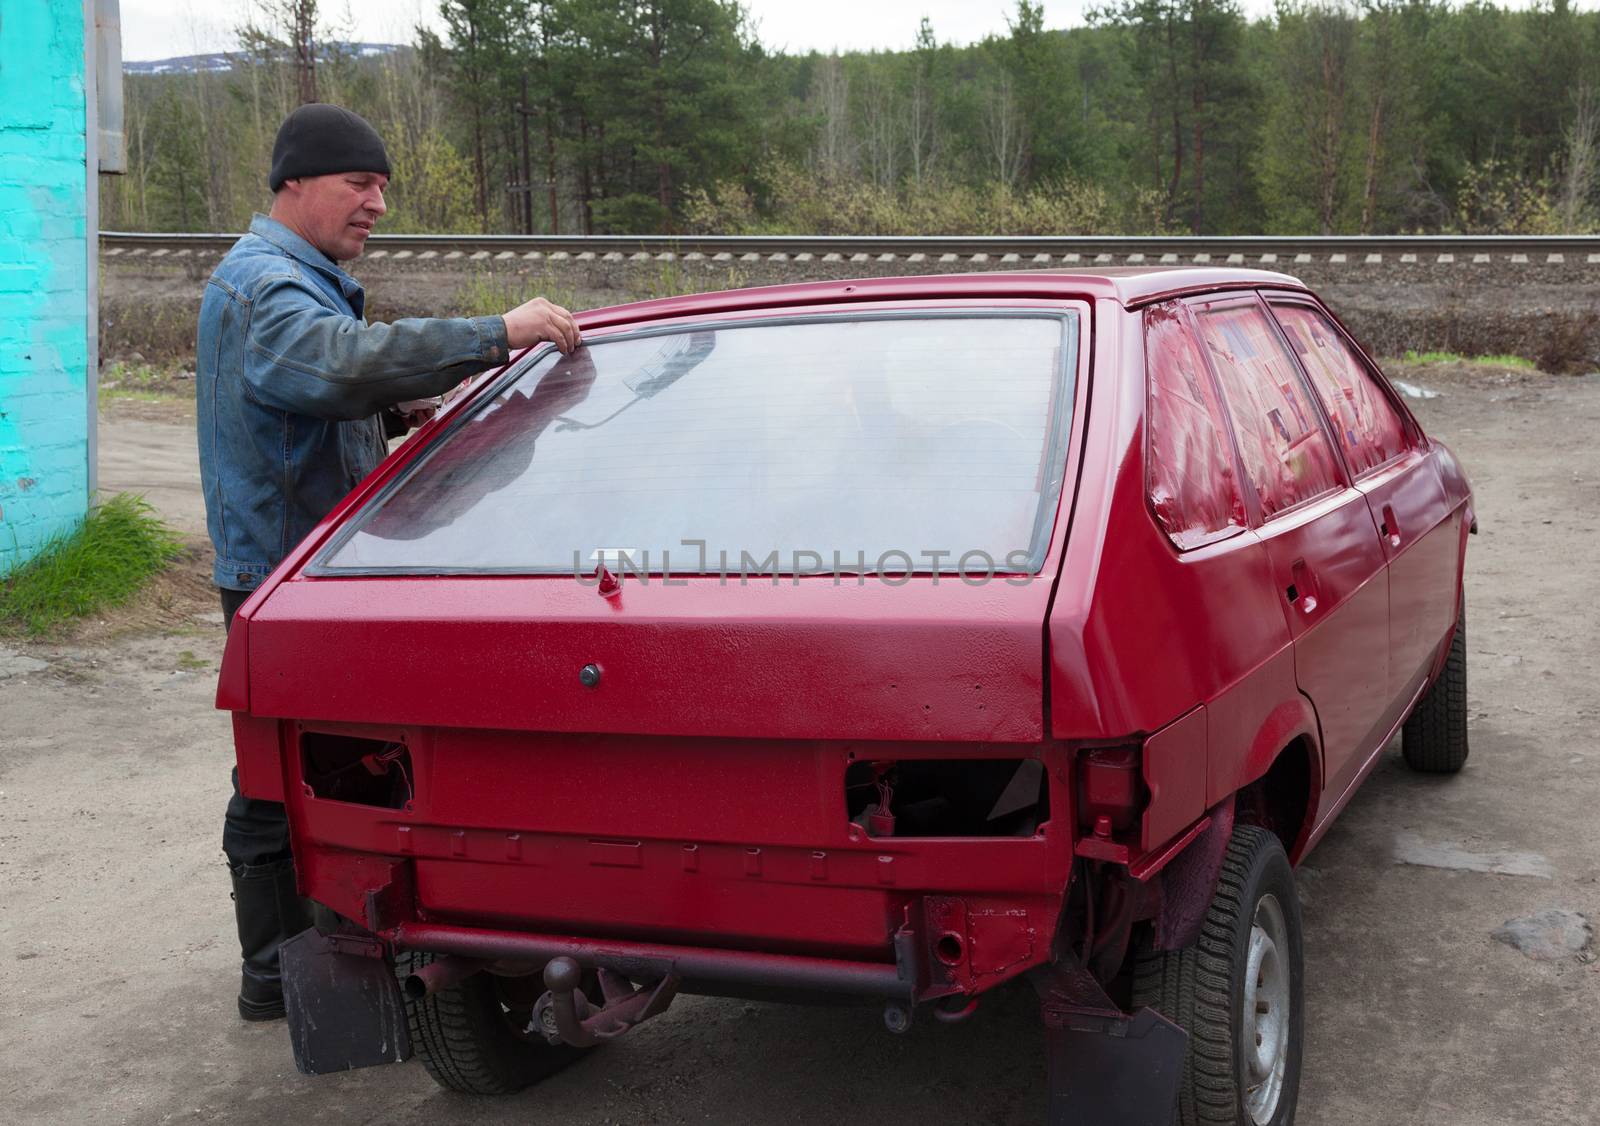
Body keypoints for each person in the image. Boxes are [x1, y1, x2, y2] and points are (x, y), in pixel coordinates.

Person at [196, 103, 580, 1022]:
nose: (375, 204)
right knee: (298, 779)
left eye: (381, 188)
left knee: (297, 771)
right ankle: (298, 979)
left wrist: (398, 415)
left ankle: (298, 973)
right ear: (294, 181)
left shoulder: (298, 276)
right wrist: (496, 331)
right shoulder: (268, 286)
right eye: (358, 184)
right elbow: (332, 365)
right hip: (283, 581)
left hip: (293, 573)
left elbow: (307, 403)